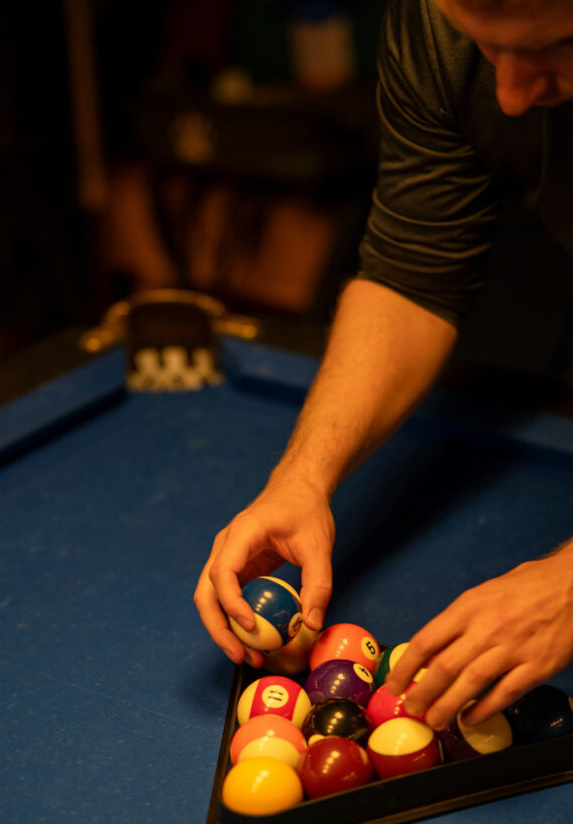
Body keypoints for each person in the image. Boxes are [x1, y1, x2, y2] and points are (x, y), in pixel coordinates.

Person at [194, 0, 573, 731]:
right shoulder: (436, 21)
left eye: (554, 47)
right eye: (483, 46)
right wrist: (301, 476)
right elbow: (412, 269)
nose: (510, 96)